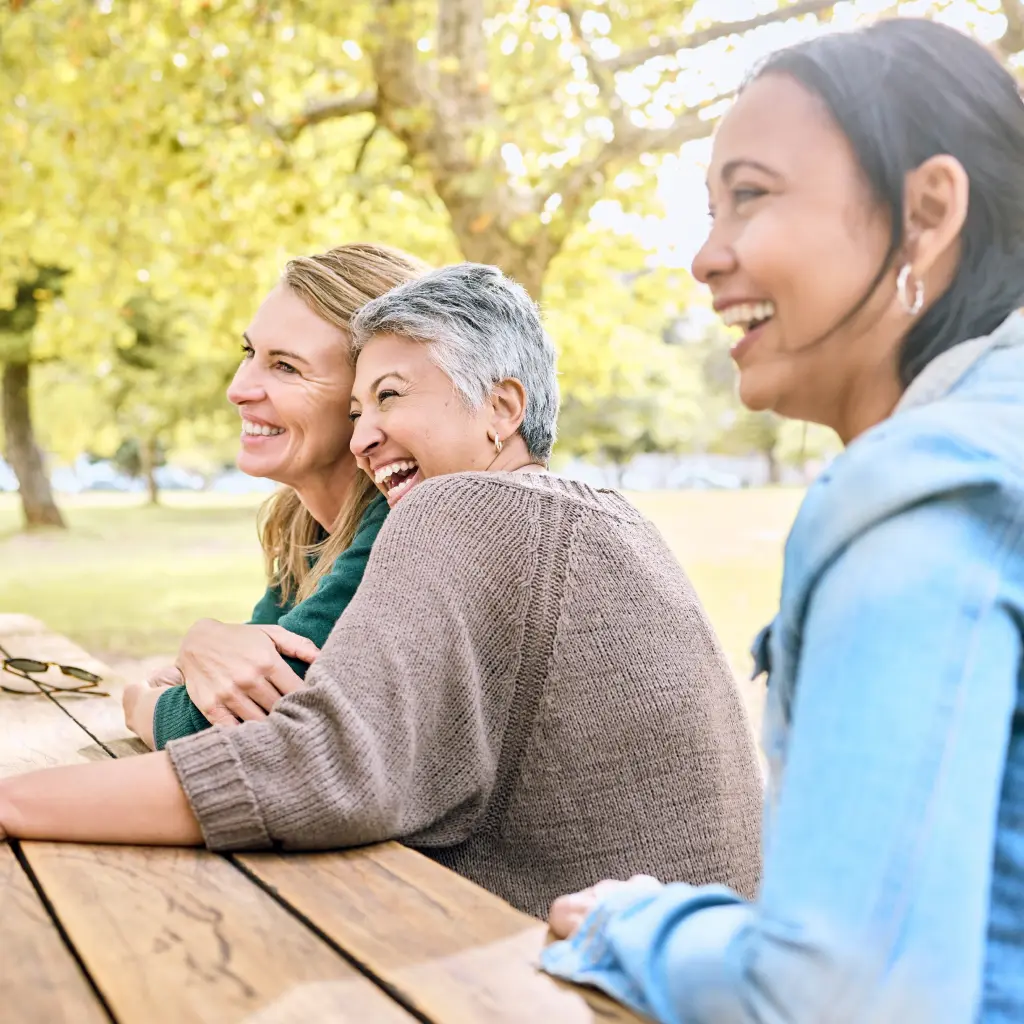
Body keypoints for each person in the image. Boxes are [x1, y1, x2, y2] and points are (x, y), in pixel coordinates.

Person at [0, 262, 763, 920]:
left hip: (586, 983)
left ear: (503, 409)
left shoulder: (461, 507)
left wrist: (16, 801)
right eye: (357, 410)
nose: (363, 437)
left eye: (391, 397)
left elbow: (317, 767)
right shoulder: (605, 518)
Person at [541, 18, 1024, 1023]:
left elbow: (844, 991)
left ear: (926, 211)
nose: (703, 258)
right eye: (708, 209)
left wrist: (635, 926)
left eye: (750, 196)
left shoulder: (923, 494)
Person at [122, 242, 428, 749]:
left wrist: (140, 704)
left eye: (286, 366)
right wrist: (205, 644)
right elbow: (237, 676)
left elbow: (232, 728)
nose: (238, 389)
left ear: (371, 394)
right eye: (250, 354)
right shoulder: (303, 524)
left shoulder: (404, 526)